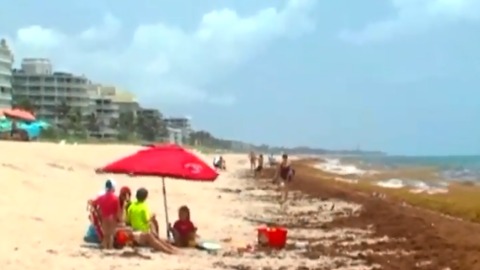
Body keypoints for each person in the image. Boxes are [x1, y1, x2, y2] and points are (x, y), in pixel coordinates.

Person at [126, 188, 178, 254]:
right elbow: (147, 220)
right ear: (145, 197)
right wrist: (152, 217)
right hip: (142, 233)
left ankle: (172, 249)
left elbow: (128, 220)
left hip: (134, 231)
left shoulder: (131, 206)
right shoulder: (144, 206)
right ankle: (170, 251)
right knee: (156, 241)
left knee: (157, 239)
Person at [91, 179, 121, 249]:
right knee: (111, 235)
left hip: (104, 217)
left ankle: (105, 247)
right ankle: (110, 248)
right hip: (112, 218)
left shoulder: (101, 197)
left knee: (106, 234)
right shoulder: (116, 198)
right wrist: (119, 219)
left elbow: (93, 203)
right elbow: (118, 210)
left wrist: (98, 212)